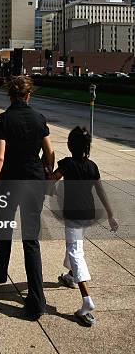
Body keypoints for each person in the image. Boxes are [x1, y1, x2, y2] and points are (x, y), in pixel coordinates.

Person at [0, 75, 55, 320]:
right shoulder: (39, 119)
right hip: (34, 181)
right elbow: (49, 152)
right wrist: (48, 170)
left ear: (10, 95)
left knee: (3, 227)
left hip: (9, 181)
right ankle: (37, 300)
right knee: (31, 239)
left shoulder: (2, 119)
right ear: (29, 95)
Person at [50, 126, 118, 326]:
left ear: (70, 145)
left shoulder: (66, 164)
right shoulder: (92, 166)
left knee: (75, 251)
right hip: (88, 214)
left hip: (73, 214)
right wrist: (111, 214)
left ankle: (86, 301)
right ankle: (71, 276)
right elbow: (101, 191)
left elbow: (50, 179)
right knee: (76, 243)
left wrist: (46, 169)